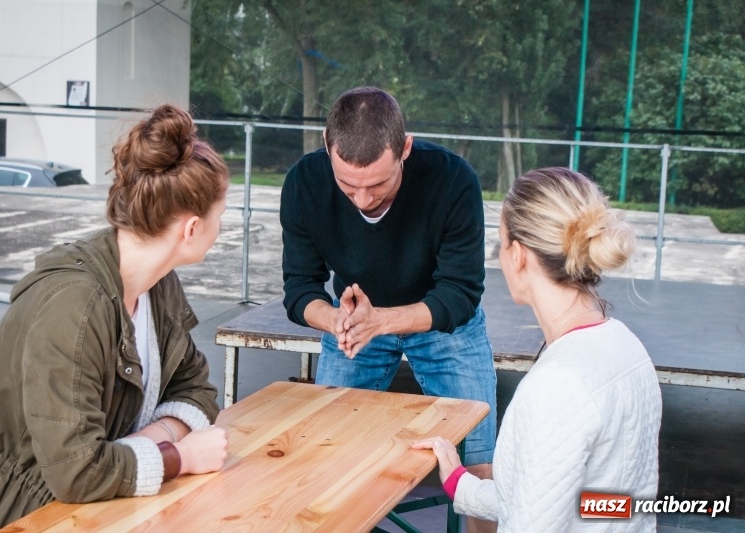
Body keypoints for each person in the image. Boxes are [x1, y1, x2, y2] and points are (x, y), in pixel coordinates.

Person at [0, 104, 230, 532]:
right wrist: (180, 457)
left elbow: (196, 390)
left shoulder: (158, 284)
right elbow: (75, 470)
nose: (220, 228)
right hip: (5, 514)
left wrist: (145, 442)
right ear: (191, 229)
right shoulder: (74, 307)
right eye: (219, 218)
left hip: (87, 513)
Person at [280, 86, 497, 506]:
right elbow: (300, 288)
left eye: (379, 183)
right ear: (328, 148)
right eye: (347, 185)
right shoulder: (304, 183)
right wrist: (335, 320)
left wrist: (382, 320)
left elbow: (460, 294)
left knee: (479, 467)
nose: (363, 199)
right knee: (326, 454)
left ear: (405, 150)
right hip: (357, 324)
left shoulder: (454, 181)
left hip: (443, 324)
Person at [413, 167, 663, 532]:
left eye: (501, 243)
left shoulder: (557, 385)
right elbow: (563, 499)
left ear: (518, 255)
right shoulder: (625, 345)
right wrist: (458, 481)